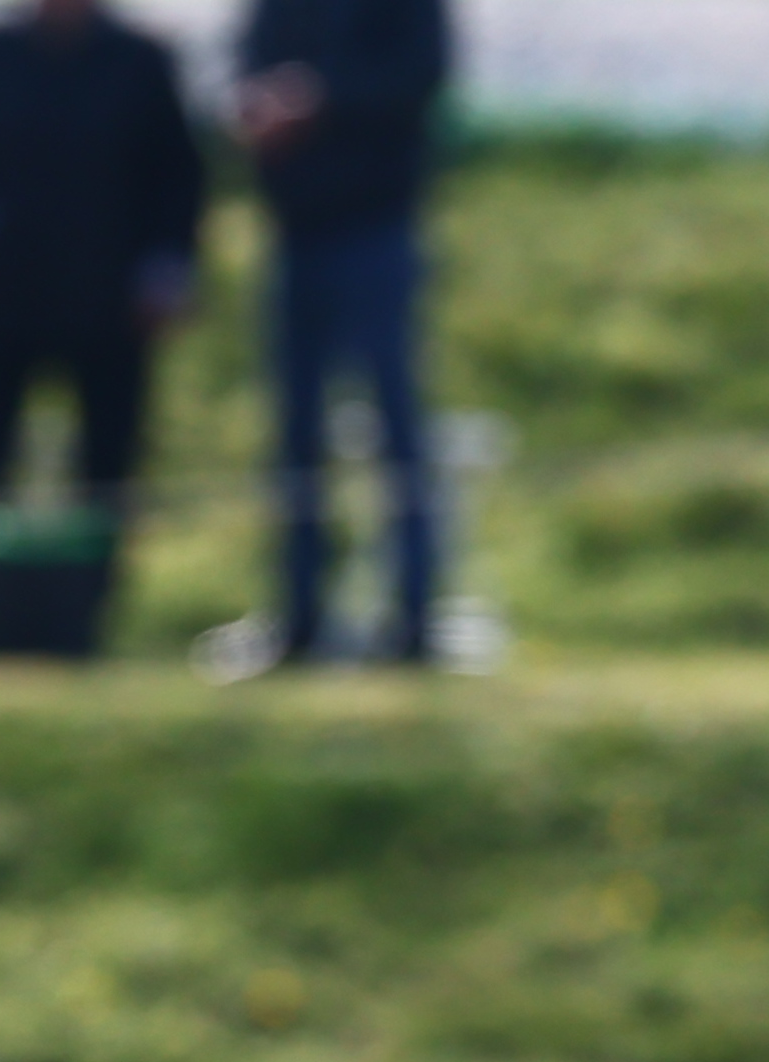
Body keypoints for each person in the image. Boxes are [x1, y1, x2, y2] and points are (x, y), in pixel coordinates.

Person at [0, 0, 206, 519]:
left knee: (108, 467)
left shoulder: (138, 60)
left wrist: (165, 269)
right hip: (6, 292)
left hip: (109, 297)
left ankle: (95, 570)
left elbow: (178, 175)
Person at [232, 0, 450, 665]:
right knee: (295, 431)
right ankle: (298, 617)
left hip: (378, 224)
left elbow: (421, 74)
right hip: (297, 230)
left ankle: (415, 617)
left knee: (395, 423)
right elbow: (248, 66)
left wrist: (321, 98)